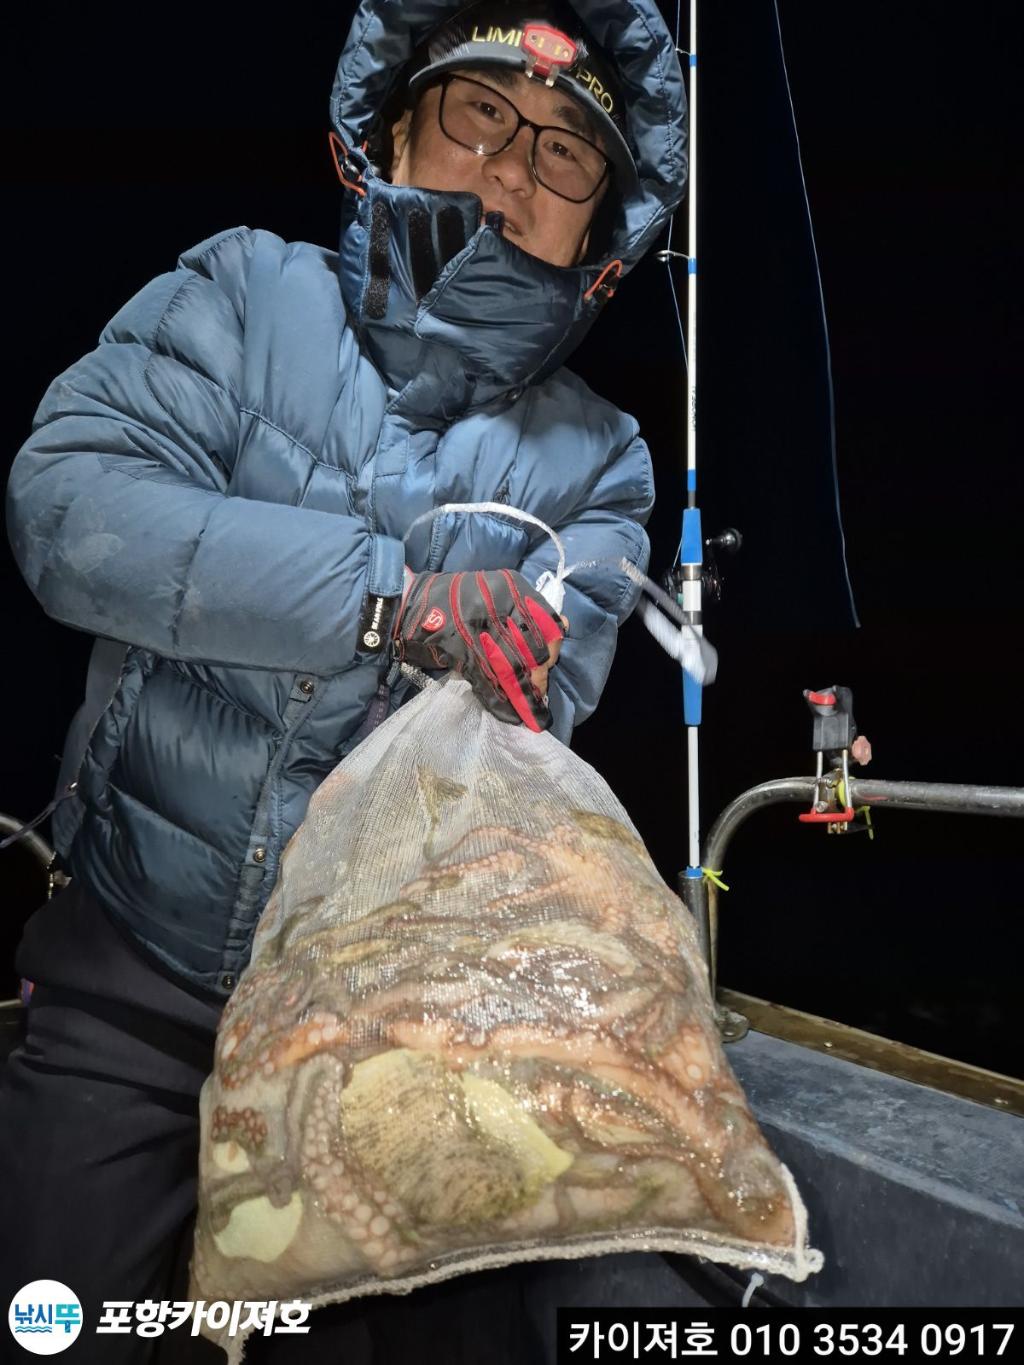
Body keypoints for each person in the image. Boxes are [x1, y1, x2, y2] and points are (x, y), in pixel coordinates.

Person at [1, 1, 686, 1358]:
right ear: (382, 140)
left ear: (601, 243)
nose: (511, 169)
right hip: (130, 972)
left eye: (565, 156)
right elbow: (70, 509)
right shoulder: (242, 294)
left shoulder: (603, 465)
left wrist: (512, 675)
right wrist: (389, 596)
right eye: (480, 113)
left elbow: (547, 704)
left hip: (392, 1034)